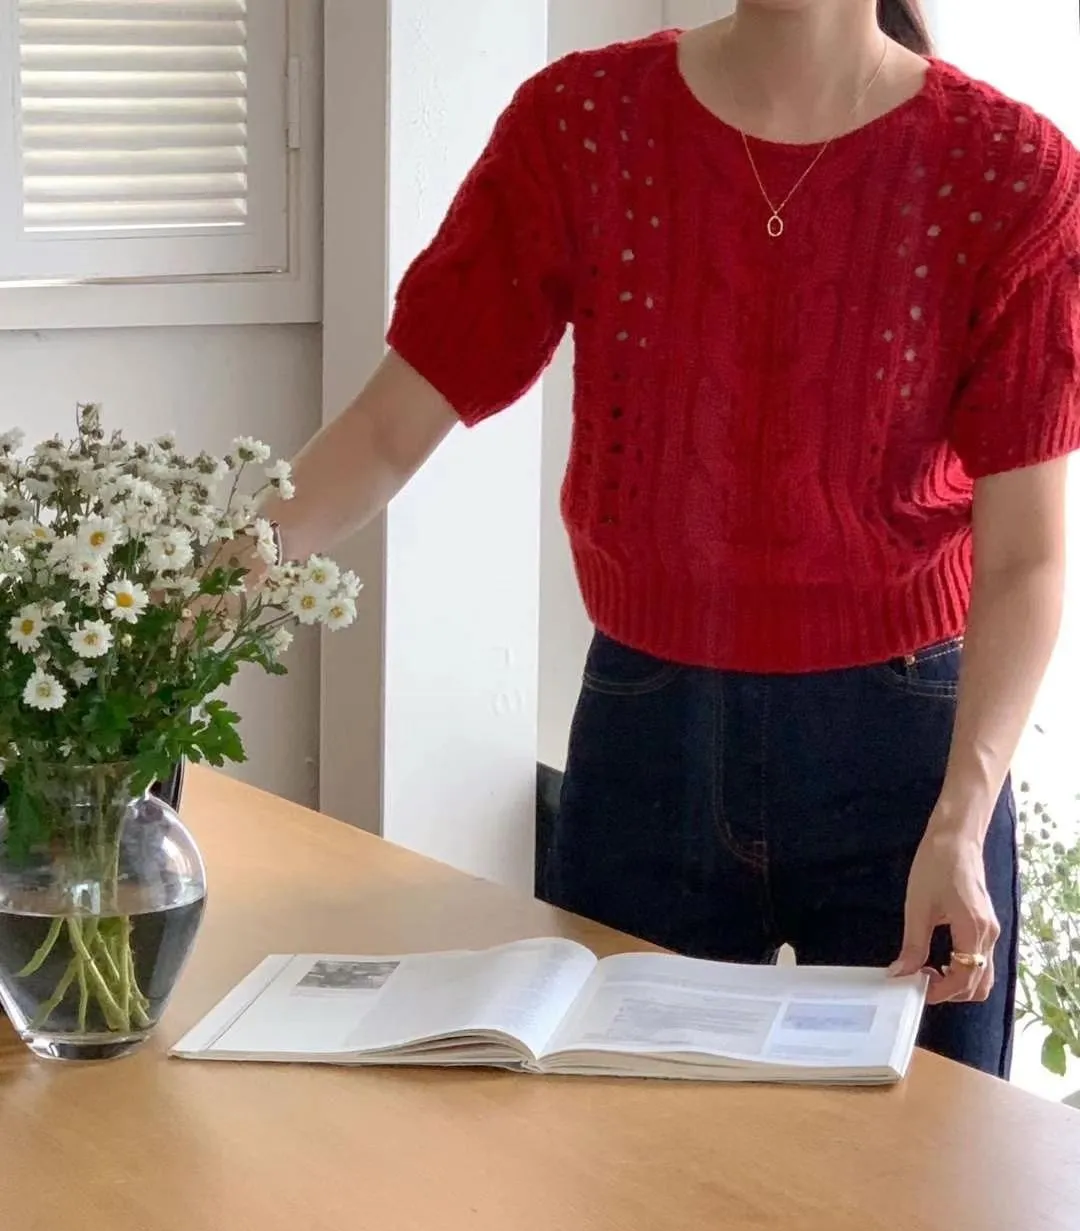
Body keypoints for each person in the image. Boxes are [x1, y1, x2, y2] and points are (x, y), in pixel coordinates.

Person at [267, 0, 1080, 1077]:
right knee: (624, 1164)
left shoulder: (1009, 170)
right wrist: (208, 588)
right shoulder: (581, 124)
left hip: (909, 759)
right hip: (646, 735)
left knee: (927, 1162)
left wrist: (961, 821)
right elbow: (385, 427)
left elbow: (1026, 555)